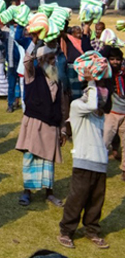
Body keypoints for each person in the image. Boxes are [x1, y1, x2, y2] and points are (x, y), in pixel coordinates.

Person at [58, 56, 111, 250]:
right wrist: (91, 81)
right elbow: (90, 105)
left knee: (96, 200)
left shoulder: (99, 115)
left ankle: (92, 230)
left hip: (100, 162)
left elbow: (98, 106)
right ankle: (66, 231)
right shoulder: (78, 106)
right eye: (98, 95)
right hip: (83, 161)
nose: (101, 100)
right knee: (77, 198)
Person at [16, 45, 65, 207]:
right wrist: (34, 42)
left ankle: (49, 192)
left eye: (54, 59)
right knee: (30, 158)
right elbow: (27, 61)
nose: (53, 63)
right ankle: (27, 192)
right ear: (42, 61)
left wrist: (63, 130)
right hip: (34, 124)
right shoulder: (32, 75)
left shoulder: (57, 80)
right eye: (50, 59)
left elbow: (61, 106)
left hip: (51, 126)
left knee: (48, 160)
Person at [103, 47, 125, 181]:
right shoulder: (106, 74)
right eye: (112, 59)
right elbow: (101, 55)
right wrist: (109, 45)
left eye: (118, 59)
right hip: (111, 113)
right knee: (104, 142)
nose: (115, 62)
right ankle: (100, 170)